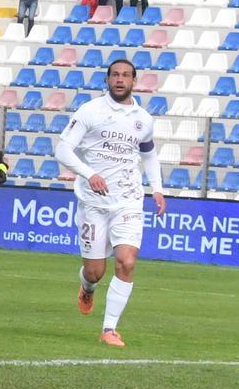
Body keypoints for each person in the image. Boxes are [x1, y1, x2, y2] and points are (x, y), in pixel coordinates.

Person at [54, 58, 164, 348]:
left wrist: (157, 188)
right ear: (107, 79)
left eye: (125, 75)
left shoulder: (143, 119)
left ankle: (109, 329)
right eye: (115, 75)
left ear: (134, 81)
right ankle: (87, 287)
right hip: (94, 203)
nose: (120, 79)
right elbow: (63, 149)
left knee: (127, 262)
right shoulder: (90, 111)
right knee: (95, 272)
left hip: (129, 201)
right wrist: (89, 174)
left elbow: (149, 154)